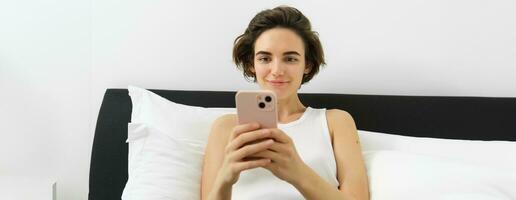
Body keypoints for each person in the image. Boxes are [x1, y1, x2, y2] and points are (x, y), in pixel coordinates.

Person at [201, 6, 369, 200]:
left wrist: (296, 171)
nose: (277, 70)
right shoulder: (225, 127)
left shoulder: (336, 122)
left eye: (290, 58)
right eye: (264, 58)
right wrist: (225, 178)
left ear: (307, 64)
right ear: (251, 64)